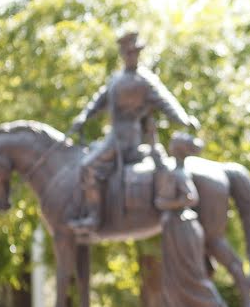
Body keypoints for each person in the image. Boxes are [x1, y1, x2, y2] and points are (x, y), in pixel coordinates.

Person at [68, 32, 200, 233]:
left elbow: (166, 101)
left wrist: (182, 118)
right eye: (128, 53)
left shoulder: (145, 80)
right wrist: (83, 117)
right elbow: (98, 101)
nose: (131, 56)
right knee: (89, 154)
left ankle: (94, 217)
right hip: (113, 135)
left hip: (126, 138)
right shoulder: (116, 79)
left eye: (134, 52)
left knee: (88, 166)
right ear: (123, 54)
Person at [154, 133, 238, 307]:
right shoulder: (174, 171)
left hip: (181, 226)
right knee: (175, 277)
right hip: (175, 226)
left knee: (190, 274)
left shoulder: (179, 174)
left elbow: (190, 197)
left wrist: (165, 203)